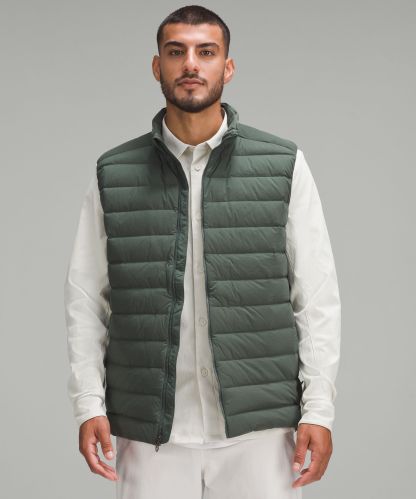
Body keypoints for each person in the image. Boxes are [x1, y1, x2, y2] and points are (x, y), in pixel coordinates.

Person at [64, 5, 341, 499]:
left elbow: (315, 297)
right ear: (157, 66)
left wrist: (318, 410)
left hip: (261, 431)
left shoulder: (283, 164)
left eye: (206, 52)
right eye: (177, 52)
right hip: (150, 433)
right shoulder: (114, 172)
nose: (191, 64)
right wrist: (89, 405)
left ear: (227, 67)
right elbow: (85, 300)